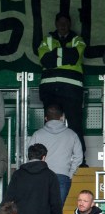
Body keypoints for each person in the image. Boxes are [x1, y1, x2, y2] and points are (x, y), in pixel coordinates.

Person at [37, 12, 86, 166]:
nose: (63, 26)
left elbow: (75, 57)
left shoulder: (78, 40)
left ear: (70, 24)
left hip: (72, 91)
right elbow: (45, 59)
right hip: (50, 90)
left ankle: (80, 161)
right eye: (60, 22)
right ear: (56, 24)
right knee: (49, 126)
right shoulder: (47, 39)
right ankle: (45, 159)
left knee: (75, 126)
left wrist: (55, 57)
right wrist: (65, 56)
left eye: (66, 23)